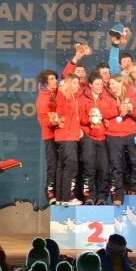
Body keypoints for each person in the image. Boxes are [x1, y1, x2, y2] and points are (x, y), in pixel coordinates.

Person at [101, 75, 136, 203]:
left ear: (121, 83)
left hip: (130, 133)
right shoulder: (106, 96)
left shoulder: (131, 94)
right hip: (113, 135)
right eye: (110, 85)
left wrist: (130, 111)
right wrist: (119, 110)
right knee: (116, 165)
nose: (111, 87)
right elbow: (104, 113)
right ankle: (118, 195)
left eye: (114, 84)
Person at [78, 74, 111, 204]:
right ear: (90, 85)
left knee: (103, 168)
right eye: (97, 84)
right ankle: (89, 197)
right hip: (88, 137)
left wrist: (104, 118)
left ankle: (102, 197)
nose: (100, 86)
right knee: (89, 168)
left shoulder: (107, 97)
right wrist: (89, 120)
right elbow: (79, 117)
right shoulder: (82, 99)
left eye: (101, 84)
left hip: (103, 137)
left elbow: (112, 112)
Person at [51, 75, 84, 206]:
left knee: (63, 167)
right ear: (68, 83)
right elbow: (62, 111)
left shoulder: (73, 97)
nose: (77, 85)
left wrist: (78, 129)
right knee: (70, 167)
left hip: (68, 136)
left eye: (78, 83)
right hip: (66, 137)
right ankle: (66, 198)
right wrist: (63, 89)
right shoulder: (63, 95)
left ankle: (60, 197)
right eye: (74, 83)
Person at [35, 69, 59, 209]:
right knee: (53, 165)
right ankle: (50, 192)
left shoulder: (57, 93)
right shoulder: (43, 98)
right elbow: (44, 120)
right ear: (45, 82)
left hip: (61, 136)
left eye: (55, 78)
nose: (55, 81)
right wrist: (55, 122)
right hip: (50, 136)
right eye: (51, 79)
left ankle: (60, 191)